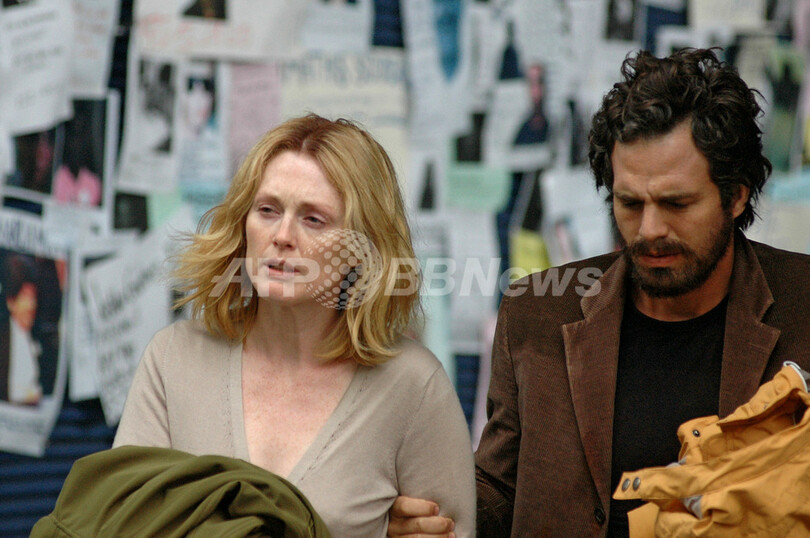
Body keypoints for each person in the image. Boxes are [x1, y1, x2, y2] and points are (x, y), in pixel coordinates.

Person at [387, 47, 810, 537]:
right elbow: (500, 488)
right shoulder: (538, 311)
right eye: (629, 203)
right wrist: (431, 518)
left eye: (676, 204)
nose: (649, 229)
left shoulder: (801, 303)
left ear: (735, 196)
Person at [113, 114, 476, 537]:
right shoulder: (173, 358)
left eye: (313, 219)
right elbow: (118, 523)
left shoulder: (414, 386)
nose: (282, 235)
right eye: (267, 210)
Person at [0, 253, 42, 405]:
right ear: (11, 302)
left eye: (33, 297)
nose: (31, 304)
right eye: (26, 297)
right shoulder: (3, 339)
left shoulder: (38, 338)